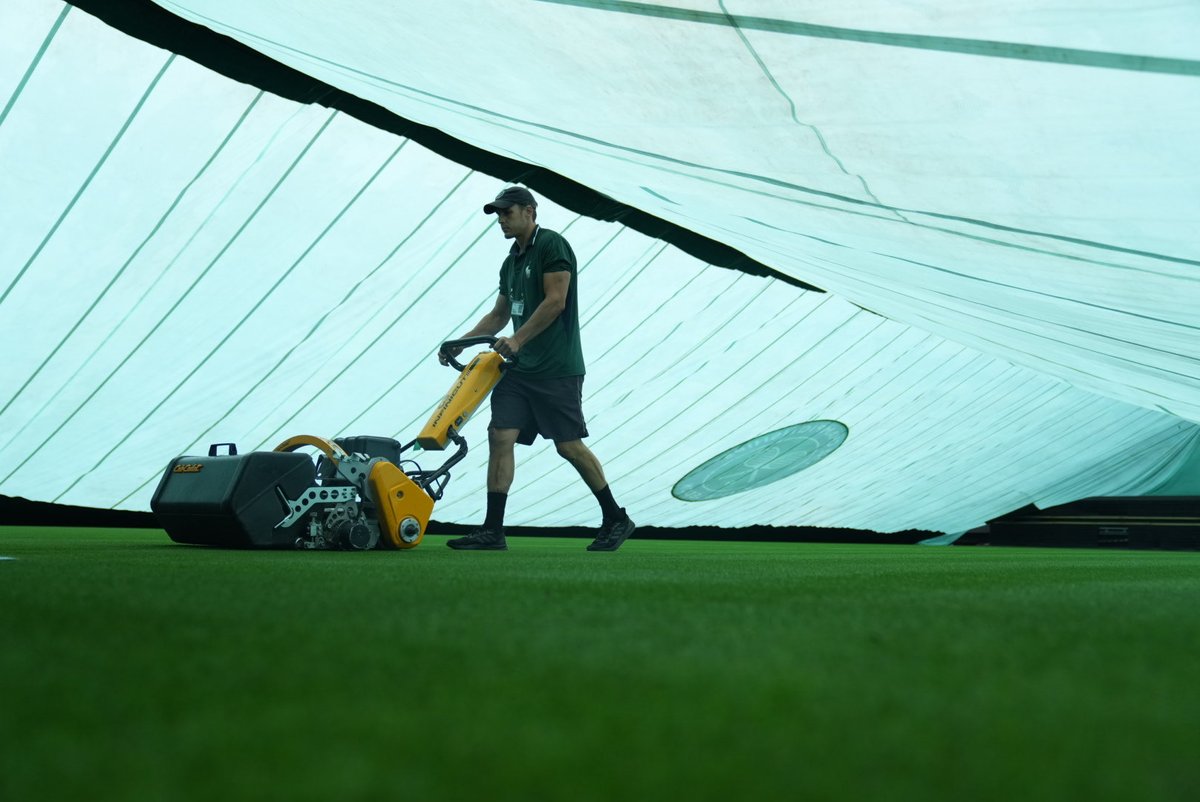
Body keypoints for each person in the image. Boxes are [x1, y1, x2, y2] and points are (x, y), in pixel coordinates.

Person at [441, 186, 634, 552]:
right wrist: (460, 342)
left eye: (507, 212)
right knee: (499, 435)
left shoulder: (552, 245)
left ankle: (616, 518)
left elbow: (556, 301)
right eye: (498, 214)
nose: (501, 220)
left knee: (568, 446)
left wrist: (517, 340)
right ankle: (492, 531)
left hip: (557, 368)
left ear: (529, 211)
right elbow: (500, 315)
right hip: (519, 371)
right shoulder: (510, 262)